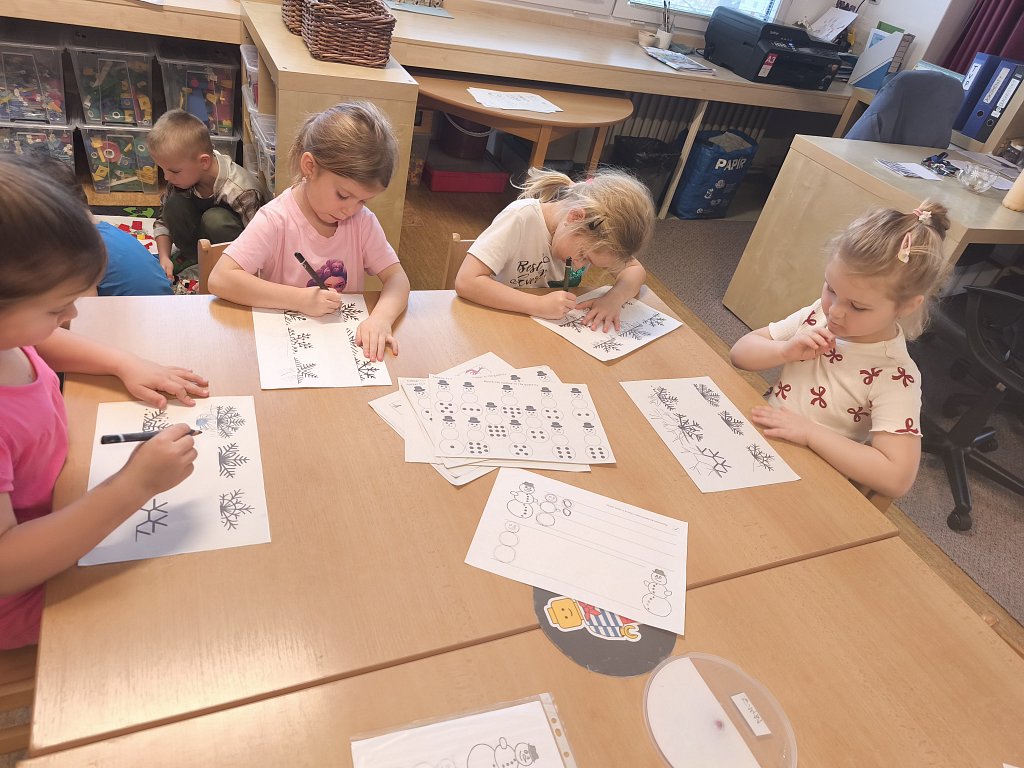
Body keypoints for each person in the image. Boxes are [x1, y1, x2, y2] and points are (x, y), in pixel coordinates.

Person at [0, 158, 210, 649]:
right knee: (193, 602)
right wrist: (135, 485)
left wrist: (123, 362)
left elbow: (40, 342)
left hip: (66, 499)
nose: (73, 315)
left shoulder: (12, 335)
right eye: (57, 307)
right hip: (31, 590)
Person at [729, 201, 952, 498]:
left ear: (907, 306)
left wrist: (809, 433)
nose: (834, 311)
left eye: (857, 306)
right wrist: (783, 351)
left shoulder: (895, 375)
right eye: (831, 289)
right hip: (759, 440)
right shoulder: (818, 315)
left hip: (809, 481)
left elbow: (897, 478)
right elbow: (739, 354)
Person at [208, 101, 411, 362]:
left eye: (363, 201)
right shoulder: (276, 220)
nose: (350, 210)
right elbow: (220, 279)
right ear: (310, 167)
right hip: (284, 351)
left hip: (340, 351)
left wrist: (381, 319)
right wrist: (300, 299)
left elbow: (397, 279)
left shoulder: (362, 222)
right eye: (343, 195)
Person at [454, 168, 655, 332]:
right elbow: (466, 281)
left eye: (590, 263)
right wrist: (537, 305)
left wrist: (613, 299)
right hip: (499, 323)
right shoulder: (520, 218)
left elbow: (634, 271)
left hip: (543, 331)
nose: (579, 266)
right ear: (574, 218)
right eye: (583, 256)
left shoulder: (596, 238)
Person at [12, 153, 172, 297]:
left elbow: (86, 309)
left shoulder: (77, 251)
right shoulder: (106, 231)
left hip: (145, 317)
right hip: (163, 304)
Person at [149, 109, 267, 279]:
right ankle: (193, 257)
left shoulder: (241, 191)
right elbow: (163, 221)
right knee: (174, 204)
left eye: (173, 171)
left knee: (215, 220)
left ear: (204, 162)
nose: (167, 177)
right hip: (201, 241)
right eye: (163, 170)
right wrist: (164, 258)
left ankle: (220, 266)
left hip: (236, 252)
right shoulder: (182, 176)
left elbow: (258, 243)